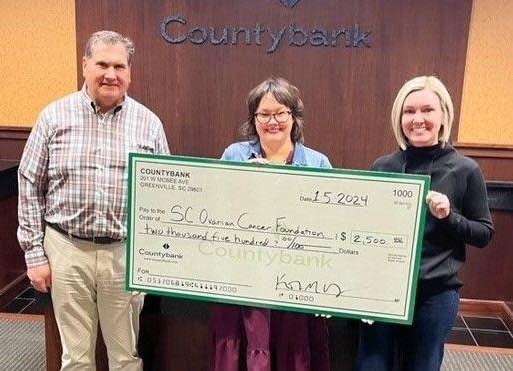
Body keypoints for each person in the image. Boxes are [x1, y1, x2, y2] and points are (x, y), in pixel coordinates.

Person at [17, 30, 170, 370]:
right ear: (85, 65)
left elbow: (162, 196)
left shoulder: (148, 124)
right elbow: (29, 182)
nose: (111, 74)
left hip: (124, 254)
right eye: (102, 64)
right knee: (76, 358)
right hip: (66, 251)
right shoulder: (54, 117)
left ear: (129, 72)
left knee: (126, 357)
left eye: (119, 66)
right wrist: (34, 254)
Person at [355, 75, 494, 371]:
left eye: (427, 110)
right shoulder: (383, 166)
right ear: (399, 118)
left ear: (444, 115)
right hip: (382, 291)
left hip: (435, 294)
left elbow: (484, 233)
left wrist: (449, 217)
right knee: (372, 365)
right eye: (409, 111)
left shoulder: (466, 169)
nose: (418, 119)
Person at [210, 77, 331, 371]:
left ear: (294, 116)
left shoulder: (317, 163)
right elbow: (215, 213)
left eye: (281, 113)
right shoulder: (235, 156)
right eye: (264, 114)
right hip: (244, 276)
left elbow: (329, 228)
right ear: (254, 118)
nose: (272, 121)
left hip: (297, 279)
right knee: (241, 350)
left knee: (292, 353)